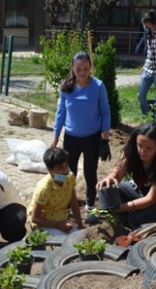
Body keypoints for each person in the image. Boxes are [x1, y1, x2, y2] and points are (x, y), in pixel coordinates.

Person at [51, 51, 111, 223]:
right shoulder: (66, 87)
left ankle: (91, 207)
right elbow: (60, 112)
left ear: (90, 67)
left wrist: (105, 139)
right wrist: (55, 137)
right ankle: (67, 205)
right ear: (72, 68)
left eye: (85, 68)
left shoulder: (98, 86)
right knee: (68, 173)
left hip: (92, 138)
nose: (82, 73)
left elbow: (105, 111)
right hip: (71, 138)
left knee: (90, 173)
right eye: (78, 69)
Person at [97, 122, 156, 228]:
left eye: (149, 148)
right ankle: (125, 221)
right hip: (142, 193)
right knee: (115, 188)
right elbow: (119, 170)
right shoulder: (132, 151)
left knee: (135, 218)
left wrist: (121, 207)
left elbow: (150, 199)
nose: (142, 151)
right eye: (139, 145)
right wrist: (110, 178)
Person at [29, 147, 84, 236]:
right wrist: (58, 225)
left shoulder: (70, 178)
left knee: (78, 236)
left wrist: (80, 225)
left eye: (66, 165)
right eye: (60, 168)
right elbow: (35, 218)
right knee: (70, 240)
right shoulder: (44, 188)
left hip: (60, 217)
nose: (65, 170)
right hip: (44, 222)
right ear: (49, 169)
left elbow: (73, 202)